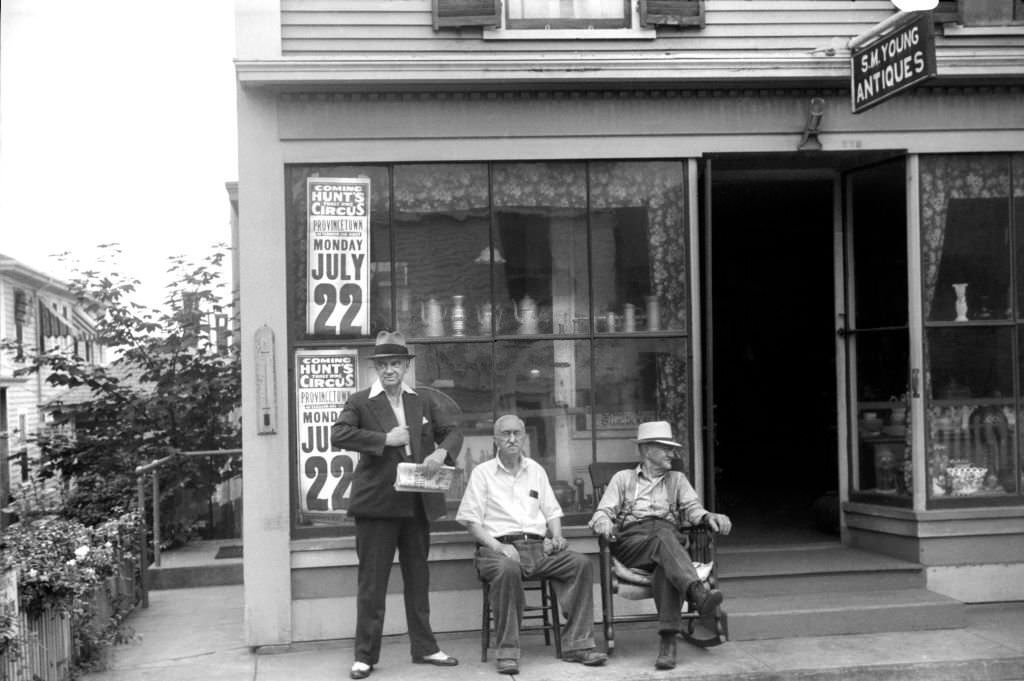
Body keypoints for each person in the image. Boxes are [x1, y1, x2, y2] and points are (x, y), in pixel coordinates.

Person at [331, 330, 464, 680]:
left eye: (396, 363)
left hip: (416, 506)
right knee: (372, 584)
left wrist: (441, 451)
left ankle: (425, 648)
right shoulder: (360, 401)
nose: (390, 370)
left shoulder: (421, 400)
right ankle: (364, 656)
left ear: (405, 366)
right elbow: (338, 434)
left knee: (418, 579)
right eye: (384, 364)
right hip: (376, 507)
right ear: (376, 368)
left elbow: (453, 431)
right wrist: (383, 439)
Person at [456, 414, 608, 675]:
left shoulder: (536, 470)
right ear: (496, 440)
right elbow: (470, 521)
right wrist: (498, 546)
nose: (512, 439)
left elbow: (552, 511)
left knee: (580, 564)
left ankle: (577, 645)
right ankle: (507, 652)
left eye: (517, 433)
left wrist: (557, 536)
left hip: (538, 548)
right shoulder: (482, 473)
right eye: (505, 434)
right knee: (508, 570)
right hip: (497, 549)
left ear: (524, 437)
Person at [588, 420, 732, 671]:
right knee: (664, 539)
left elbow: (694, 510)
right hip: (633, 542)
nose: (671, 453)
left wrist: (710, 517)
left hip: (667, 543)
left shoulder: (677, 479)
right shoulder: (623, 479)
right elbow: (603, 512)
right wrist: (603, 523)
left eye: (672, 448)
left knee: (665, 563)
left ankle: (668, 645)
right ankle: (697, 592)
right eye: (665, 448)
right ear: (645, 451)